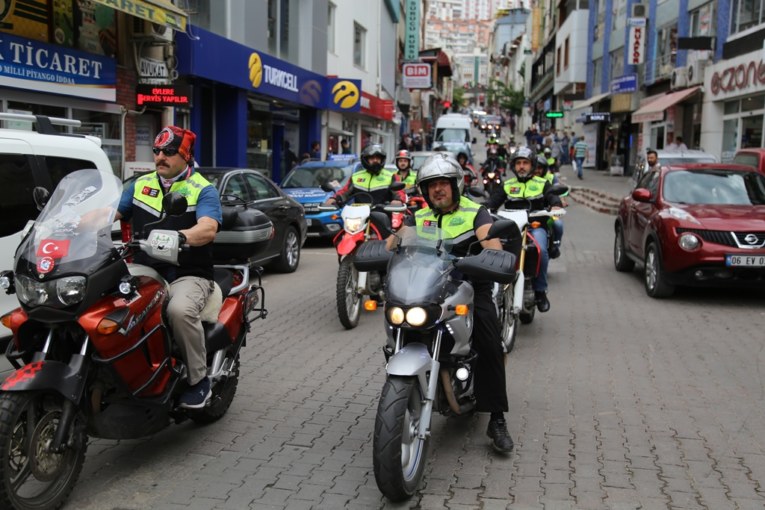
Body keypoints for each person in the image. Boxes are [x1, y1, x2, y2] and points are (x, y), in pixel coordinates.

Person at [386, 153, 514, 454]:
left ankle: (496, 417)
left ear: (456, 185)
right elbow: (394, 245)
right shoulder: (419, 216)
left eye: (443, 183)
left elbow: (491, 244)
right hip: (429, 287)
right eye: (431, 186)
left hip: (468, 285)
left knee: (489, 339)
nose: (438, 190)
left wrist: (490, 255)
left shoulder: (476, 212)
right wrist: (382, 250)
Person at [115, 126, 222, 409]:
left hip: (187, 272)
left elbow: (208, 228)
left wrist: (182, 236)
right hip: (144, 270)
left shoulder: (203, 189)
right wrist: (74, 223)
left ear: (186, 156)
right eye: (157, 151)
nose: (160, 156)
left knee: (179, 311)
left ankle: (199, 380)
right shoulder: (139, 185)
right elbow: (109, 212)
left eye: (169, 152)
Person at [486, 146, 563, 312]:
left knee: (541, 250)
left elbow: (552, 197)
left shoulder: (542, 183)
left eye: (525, 163)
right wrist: (482, 209)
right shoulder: (507, 185)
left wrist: (556, 205)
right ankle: (491, 288)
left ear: (532, 165)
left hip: (535, 228)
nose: (521, 166)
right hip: (511, 230)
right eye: (518, 163)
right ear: (513, 166)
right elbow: (492, 202)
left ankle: (540, 291)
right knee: (492, 250)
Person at [325, 144, 405, 207]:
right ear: (366, 160)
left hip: (382, 214)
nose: (375, 161)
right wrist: (334, 198)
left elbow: (399, 192)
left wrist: (398, 200)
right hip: (358, 215)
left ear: (382, 160)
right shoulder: (356, 177)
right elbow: (344, 191)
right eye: (372, 158)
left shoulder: (391, 176)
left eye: (378, 158)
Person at [534, 155, 565, 259]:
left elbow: (557, 192)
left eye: (540, 168)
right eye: (535, 167)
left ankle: (555, 246)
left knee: (558, 224)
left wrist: (560, 202)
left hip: (548, 210)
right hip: (530, 212)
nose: (537, 170)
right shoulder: (527, 179)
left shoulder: (551, 178)